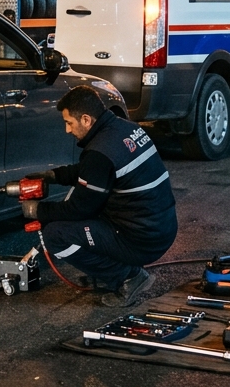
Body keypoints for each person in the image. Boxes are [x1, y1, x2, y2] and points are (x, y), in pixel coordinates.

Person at [21, 84, 177, 307]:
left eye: (69, 123)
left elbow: (79, 208)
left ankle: (127, 276)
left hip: (142, 239)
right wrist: (54, 175)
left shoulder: (100, 151)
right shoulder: (124, 128)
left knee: (56, 234)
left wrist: (37, 210)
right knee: (84, 214)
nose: (67, 130)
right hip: (160, 226)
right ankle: (110, 272)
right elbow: (92, 171)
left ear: (86, 119)